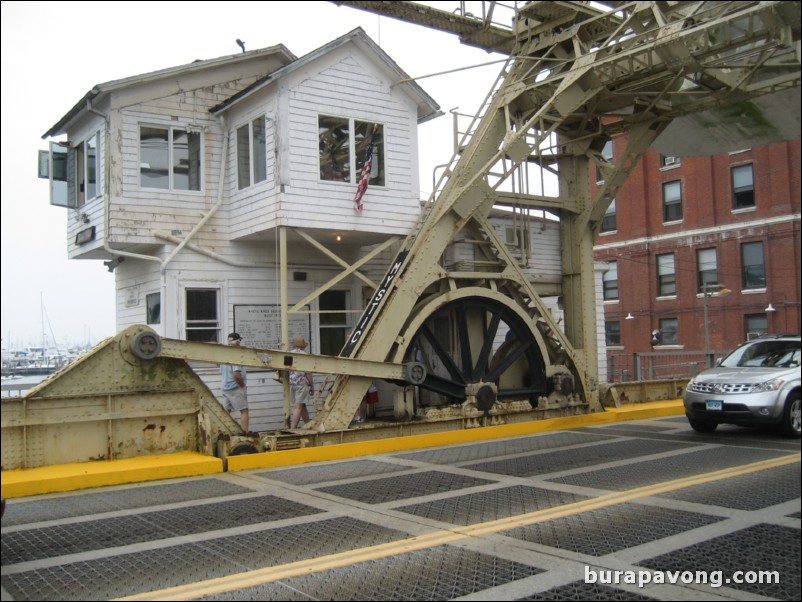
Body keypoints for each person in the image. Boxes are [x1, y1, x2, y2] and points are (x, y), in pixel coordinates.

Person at [220, 332, 249, 433]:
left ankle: (225, 432)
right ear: (237, 342)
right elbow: (236, 374)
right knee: (244, 411)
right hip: (235, 388)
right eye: (239, 341)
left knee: (226, 412)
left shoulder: (223, 354)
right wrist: (242, 385)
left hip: (224, 388)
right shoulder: (235, 355)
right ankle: (245, 433)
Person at [289, 335, 314, 428]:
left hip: (292, 382)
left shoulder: (289, 353)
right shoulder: (304, 355)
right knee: (298, 406)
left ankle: (308, 424)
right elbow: (309, 373)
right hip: (302, 383)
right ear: (303, 345)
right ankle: (293, 427)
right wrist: (312, 386)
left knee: (302, 405)